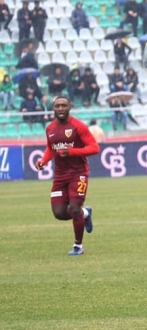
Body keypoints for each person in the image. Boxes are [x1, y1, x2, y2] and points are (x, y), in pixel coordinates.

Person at [35, 96, 99, 256]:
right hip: (60, 175)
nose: (61, 108)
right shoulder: (50, 128)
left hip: (78, 173)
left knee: (75, 208)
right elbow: (51, 148)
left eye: (64, 105)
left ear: (69, 107)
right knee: (59, 213)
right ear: (53, 108)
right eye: (58, 106)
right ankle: (86, 213)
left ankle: (78, 246)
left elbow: (94, 148)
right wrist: (43, 161)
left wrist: (72, 152)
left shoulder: (79, 126)